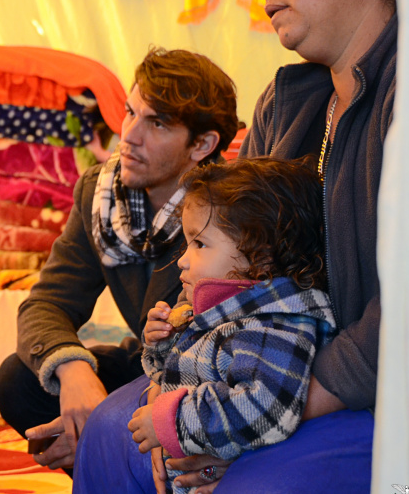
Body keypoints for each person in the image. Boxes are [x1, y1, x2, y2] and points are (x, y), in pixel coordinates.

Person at [71, 0, 393, 491]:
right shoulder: (285, 102)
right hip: (246, 369)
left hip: (375, 393)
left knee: (251, 482)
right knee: (109, 432)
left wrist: (238, 425)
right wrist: (172, 387)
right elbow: (220, 250)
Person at [0, 47, 241, 472]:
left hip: (208, 382)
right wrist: (72, 368)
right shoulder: (101, 195)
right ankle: (102, 463)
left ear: (202, 144)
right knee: (18, 379)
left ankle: (113, 460)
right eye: (130, 112)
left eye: (157, 123)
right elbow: (47, 304)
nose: (129, 135)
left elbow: (236, 350)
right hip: (145, 364)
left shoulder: (233, 210)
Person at [72, 157, 336, 492]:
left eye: (199, 244)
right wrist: (163, 343)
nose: (183, 259)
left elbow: (262, 408)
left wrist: (172, 421)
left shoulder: (274, 325)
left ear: (261, 258)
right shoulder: (231, 308)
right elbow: (192, 369)